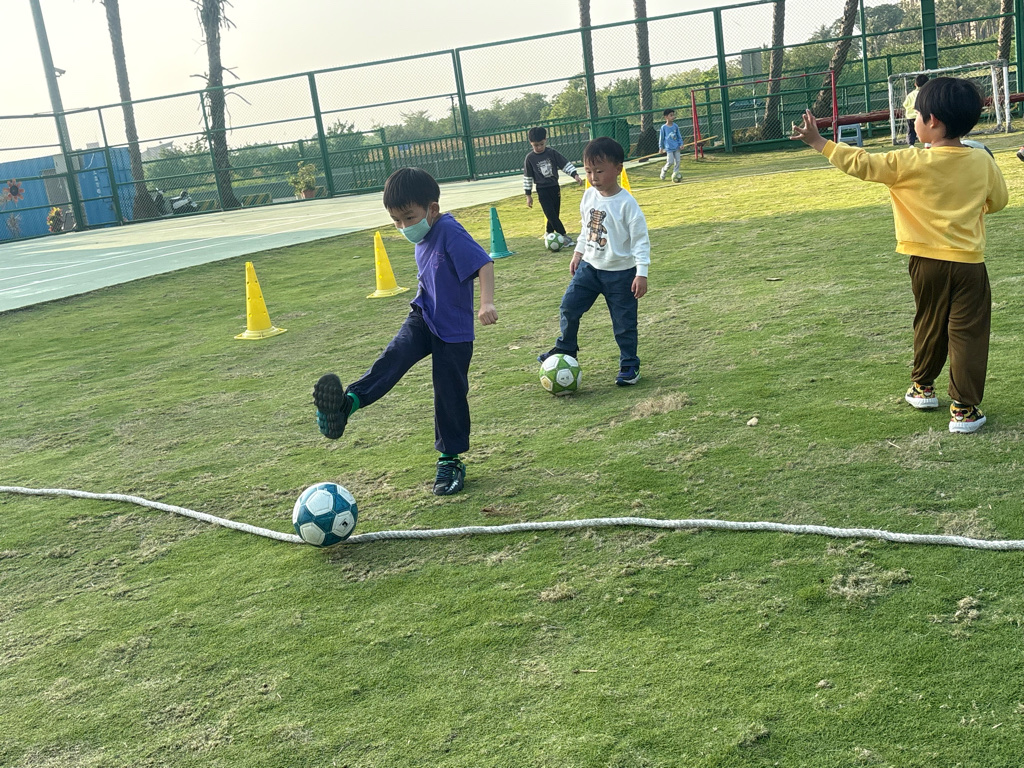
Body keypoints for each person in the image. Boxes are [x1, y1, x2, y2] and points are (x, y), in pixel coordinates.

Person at [791, 77, 1008, 434]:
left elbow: (861, 163)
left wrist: (819, 142)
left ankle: (923, 388)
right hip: (970, 264)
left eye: (916, 116)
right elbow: (998, 202)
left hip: (925, 263)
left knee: (929, 322)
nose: (914, 122)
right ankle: (964, 410)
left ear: (932, 121)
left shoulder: (908, 161)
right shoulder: (982, 161)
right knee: (969, 333)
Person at [313, 167, 498, 495]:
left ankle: (450, 460)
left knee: (448, 393)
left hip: (453, 331)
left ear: (432, 209)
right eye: (395, 220)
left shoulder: (449, 229)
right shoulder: (421, 234)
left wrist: (486, 303)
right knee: (393, 357)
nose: (403, 226)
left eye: (408, 217)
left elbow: (483, 263)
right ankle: (347, 404)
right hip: (423, 316)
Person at [538, 137, 650, 386]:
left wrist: (641, 273)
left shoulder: (627, 204)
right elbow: (586, 229)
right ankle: (566, 348)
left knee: (624, 323)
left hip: (621, 274)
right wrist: (578, 254)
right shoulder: (589, 196)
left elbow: (641, 241)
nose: (593, 177)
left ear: (618, 169)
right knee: (569, 307)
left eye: (599, 171)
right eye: (588, 171)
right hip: (589, 268)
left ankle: (629, 365)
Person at [523, 126, 584, 248]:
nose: (539, 147)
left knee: (555, 213)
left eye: (541, 144)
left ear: (545, 140)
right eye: (536, 145)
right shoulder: (530, 158)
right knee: (550, 214)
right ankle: (563, 235)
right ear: (530, 143)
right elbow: (527, 177)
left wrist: (575, 175)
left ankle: (549, 232)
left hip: (555, 188)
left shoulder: (552, 153)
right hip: (542, 190)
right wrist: (528, 195)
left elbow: (564, 164)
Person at [903, 74, 929, 145]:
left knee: (911, 131)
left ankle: (911, 144)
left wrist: (910, 107)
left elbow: (905, 104)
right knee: (925, 129)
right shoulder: (925, 94)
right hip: (920, 116)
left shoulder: (910, 95)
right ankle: (927, 143)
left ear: (915, 84)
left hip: (910, 117)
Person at [659, 108, 684, 180]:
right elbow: (661, 138)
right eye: (671, 115)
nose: (673, 117)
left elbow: (679, 136)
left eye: (673, 115)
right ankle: (664, 170)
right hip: (669, 148)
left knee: (678, 161)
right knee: (670, 162)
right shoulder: (663, 127)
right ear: (666, 117)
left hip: (676, 147)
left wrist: (681, 144)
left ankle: (675, 173)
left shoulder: (675, 126)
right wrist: (661, 148)